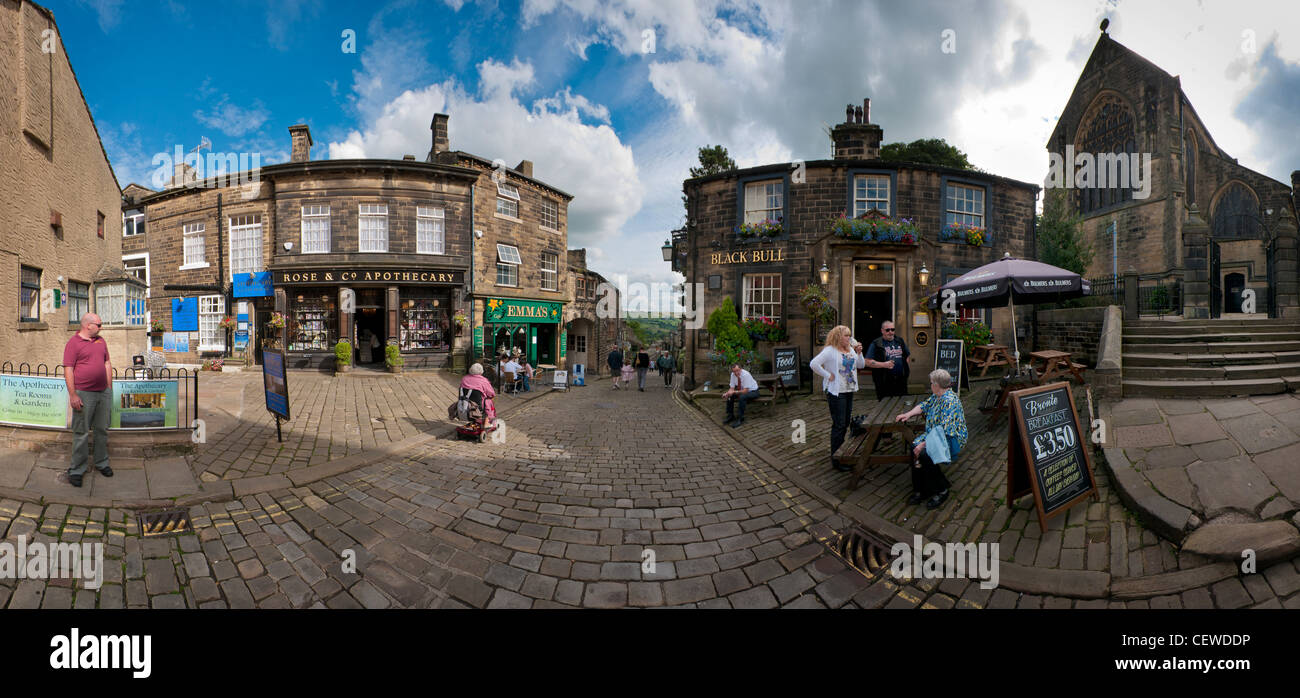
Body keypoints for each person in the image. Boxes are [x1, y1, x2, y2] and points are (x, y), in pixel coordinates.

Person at [895, 369, 968, 509]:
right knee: (913, 448)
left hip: (951, 439)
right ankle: (921, 489)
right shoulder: (937, 395)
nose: (930, 385)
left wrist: (923, 445)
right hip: (935, 435)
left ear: (937, 385)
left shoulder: (950, 402)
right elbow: (924, 405)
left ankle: (942, 489)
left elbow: (945, 431)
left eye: (931, 383)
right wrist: (908, 414)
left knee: (924, 454)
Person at [62, 313, 115, 487]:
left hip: (103, 393)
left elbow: (107, 363)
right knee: (81, 432)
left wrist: (109, 388)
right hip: (84, 394)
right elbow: (68, 369)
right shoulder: (73, 343)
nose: (101, 328)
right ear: (88, 325)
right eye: (99, 325)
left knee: (101, 430)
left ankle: (102, 463)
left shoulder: (101, 341)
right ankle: (77, 470)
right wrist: (73, 394)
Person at [809, 325, 866, 472]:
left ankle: (842, 453)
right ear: (838, 337)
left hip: (848, 389)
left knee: (845, 422)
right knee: (839, 424)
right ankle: (836, 459)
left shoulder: (850, 349)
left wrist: (859, 353)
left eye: (849, 335)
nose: (849, 338)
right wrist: (828, 375)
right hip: (836, 392)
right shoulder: (830, 350)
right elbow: (813, 364)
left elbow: (861, 365)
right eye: (846, 335)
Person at [864, 320, 910, 398]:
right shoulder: (876, 343)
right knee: (886, 405)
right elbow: (867, 362)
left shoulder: (899, 341)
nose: (890, 332)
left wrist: (904, 370)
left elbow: (907, 356)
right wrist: (884, 365)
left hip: (900, 380)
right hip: (884, 381)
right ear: (882, 331)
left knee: (901, 404)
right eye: (887, 330)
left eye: (892, 329)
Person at [721, 363, 760, 428]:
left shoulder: (746, 375)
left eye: (737, 370)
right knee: (730, 396)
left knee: (742, 397)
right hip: (742, 391)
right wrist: (727, 393)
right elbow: (732, 388)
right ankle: (730, 415)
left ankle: (740, 418)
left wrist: (734, 392)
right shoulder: (733, 375)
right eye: (734, 371)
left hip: (753, 391)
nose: (736, 373)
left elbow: (746, 391)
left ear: (741, 369)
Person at [459, 363, 497, 427]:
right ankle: (487, 421)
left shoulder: (464, 379)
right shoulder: (483, 380)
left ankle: (477, 420)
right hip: (478, 406)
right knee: (489, 401)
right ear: (481, 371)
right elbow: (491, 393)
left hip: (465, 403)